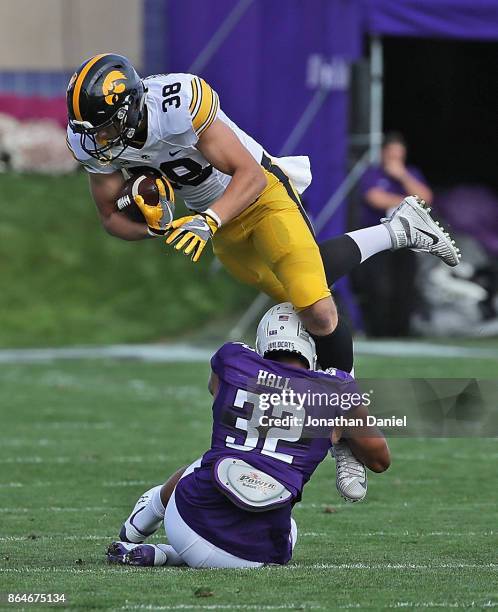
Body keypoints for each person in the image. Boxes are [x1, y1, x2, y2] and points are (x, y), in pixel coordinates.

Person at [66, 54, 460, 371]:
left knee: (317, 309)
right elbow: (110, 217)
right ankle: (399, 229)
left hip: (259, 194)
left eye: (103, 128)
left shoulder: (176, 103)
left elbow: (249, 174)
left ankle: (345, 436)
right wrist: (158, 226)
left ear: (132, 108)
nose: (97, 140)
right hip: (216, 220)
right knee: (303, 289)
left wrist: (209, 220)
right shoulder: (90, 142)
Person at [106, 303, 390, 568]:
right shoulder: (335, 390)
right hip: (259, 554)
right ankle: (168, 554)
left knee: (211, 463)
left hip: (185, 522)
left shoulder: (233, 360)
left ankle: (145, 521)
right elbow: (379, 460)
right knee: (288, 525)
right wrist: (343, 425)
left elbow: (215, 389)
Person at [353, 132, 435, 336]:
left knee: (404, 286)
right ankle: (378, 332)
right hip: (379, 239)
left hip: (407, 240)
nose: (395, 161)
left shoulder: (410, 174)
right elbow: (374, 198)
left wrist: (402, 176)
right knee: (379, 287)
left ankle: (401, 331)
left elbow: (425, 197)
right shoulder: (373, 174)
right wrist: (408, 201)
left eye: (399, 156)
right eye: (391, 156)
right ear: (383, 154)